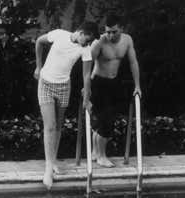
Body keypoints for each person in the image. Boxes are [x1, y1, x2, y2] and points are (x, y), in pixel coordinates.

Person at [34, 22, 98, 189]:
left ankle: (53, 159)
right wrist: (38, 66)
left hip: (64, 86)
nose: (87, 44)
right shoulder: (59, 34)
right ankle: (48, 168)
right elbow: (39, 42)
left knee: (58, 126)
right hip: (45, 83)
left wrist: (86, 98)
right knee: (50, 126)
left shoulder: (85, 49)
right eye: (87, 40)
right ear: (82, 32)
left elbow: (86, 75)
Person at [90, 14, 141, 168]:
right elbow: (86, 64)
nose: (110, 35)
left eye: (114, 32)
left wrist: (137, 85)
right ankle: (101, 156)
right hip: (98, 82)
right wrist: (85, 88)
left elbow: (133, 62)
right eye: (108, 32)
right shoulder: (100, 42)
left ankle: (95, 152)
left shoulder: (127, 40)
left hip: (114, 83)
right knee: (105, 121)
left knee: (107, 119)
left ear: (121, 29)